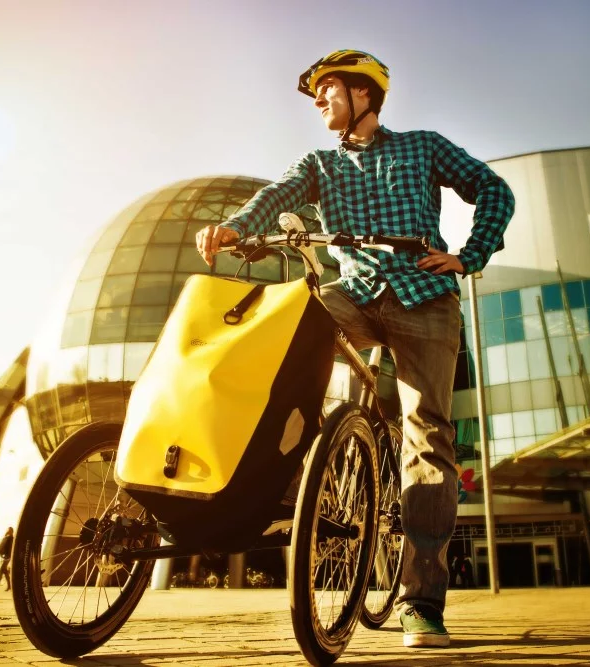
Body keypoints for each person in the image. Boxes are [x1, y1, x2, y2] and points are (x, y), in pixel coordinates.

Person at [196, 50, 514, 648]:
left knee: (429, 437)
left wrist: (470, 255)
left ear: (364, 94)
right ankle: (298, 447)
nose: (320, 100)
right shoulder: (320, 161)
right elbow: (279, 192)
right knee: (288, 323)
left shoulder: (422, 146)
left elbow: (493, 189)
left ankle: (421, 603)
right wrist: (235, 226)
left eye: (330, 89)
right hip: (356, 293)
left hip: (425, 297)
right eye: (317, 93)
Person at [0, 527, 14, 592]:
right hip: (4, 556)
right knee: (4, 571)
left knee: (2, 570)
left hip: (7, 557)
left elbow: (10, 549)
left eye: (9, 530)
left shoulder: (11, 539)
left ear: (11, 531)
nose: (7, 531)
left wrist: (8, 556)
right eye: (7, 530)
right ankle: (9, 586)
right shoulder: (6, 537)